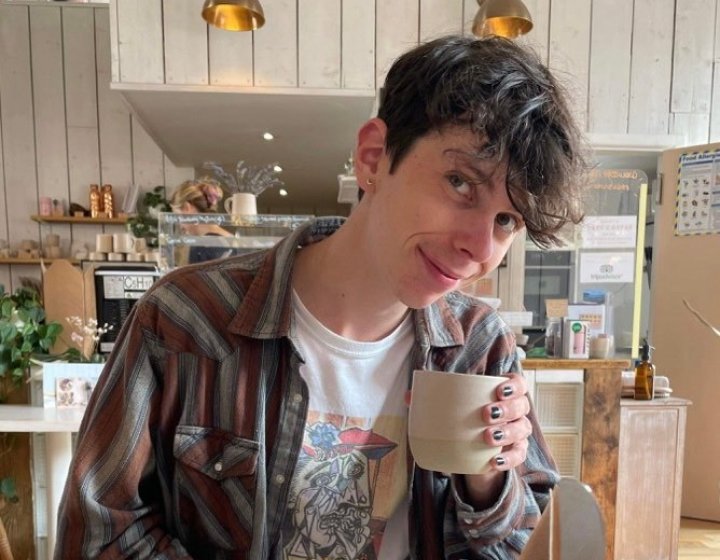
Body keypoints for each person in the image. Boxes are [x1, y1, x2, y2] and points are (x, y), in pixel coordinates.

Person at [55, 34, 586, 559]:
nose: (479, 247)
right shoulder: (187, 318)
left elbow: (525, 544)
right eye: (460, 183)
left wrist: (487, 485)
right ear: (374, 157)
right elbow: (99, 530)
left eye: (506, 219)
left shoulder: (479, 346)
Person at [169, 179, 234, 264]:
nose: (180, 225)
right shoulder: (232, 239)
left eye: (178, 216)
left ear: (187, 208)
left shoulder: (201, 246)